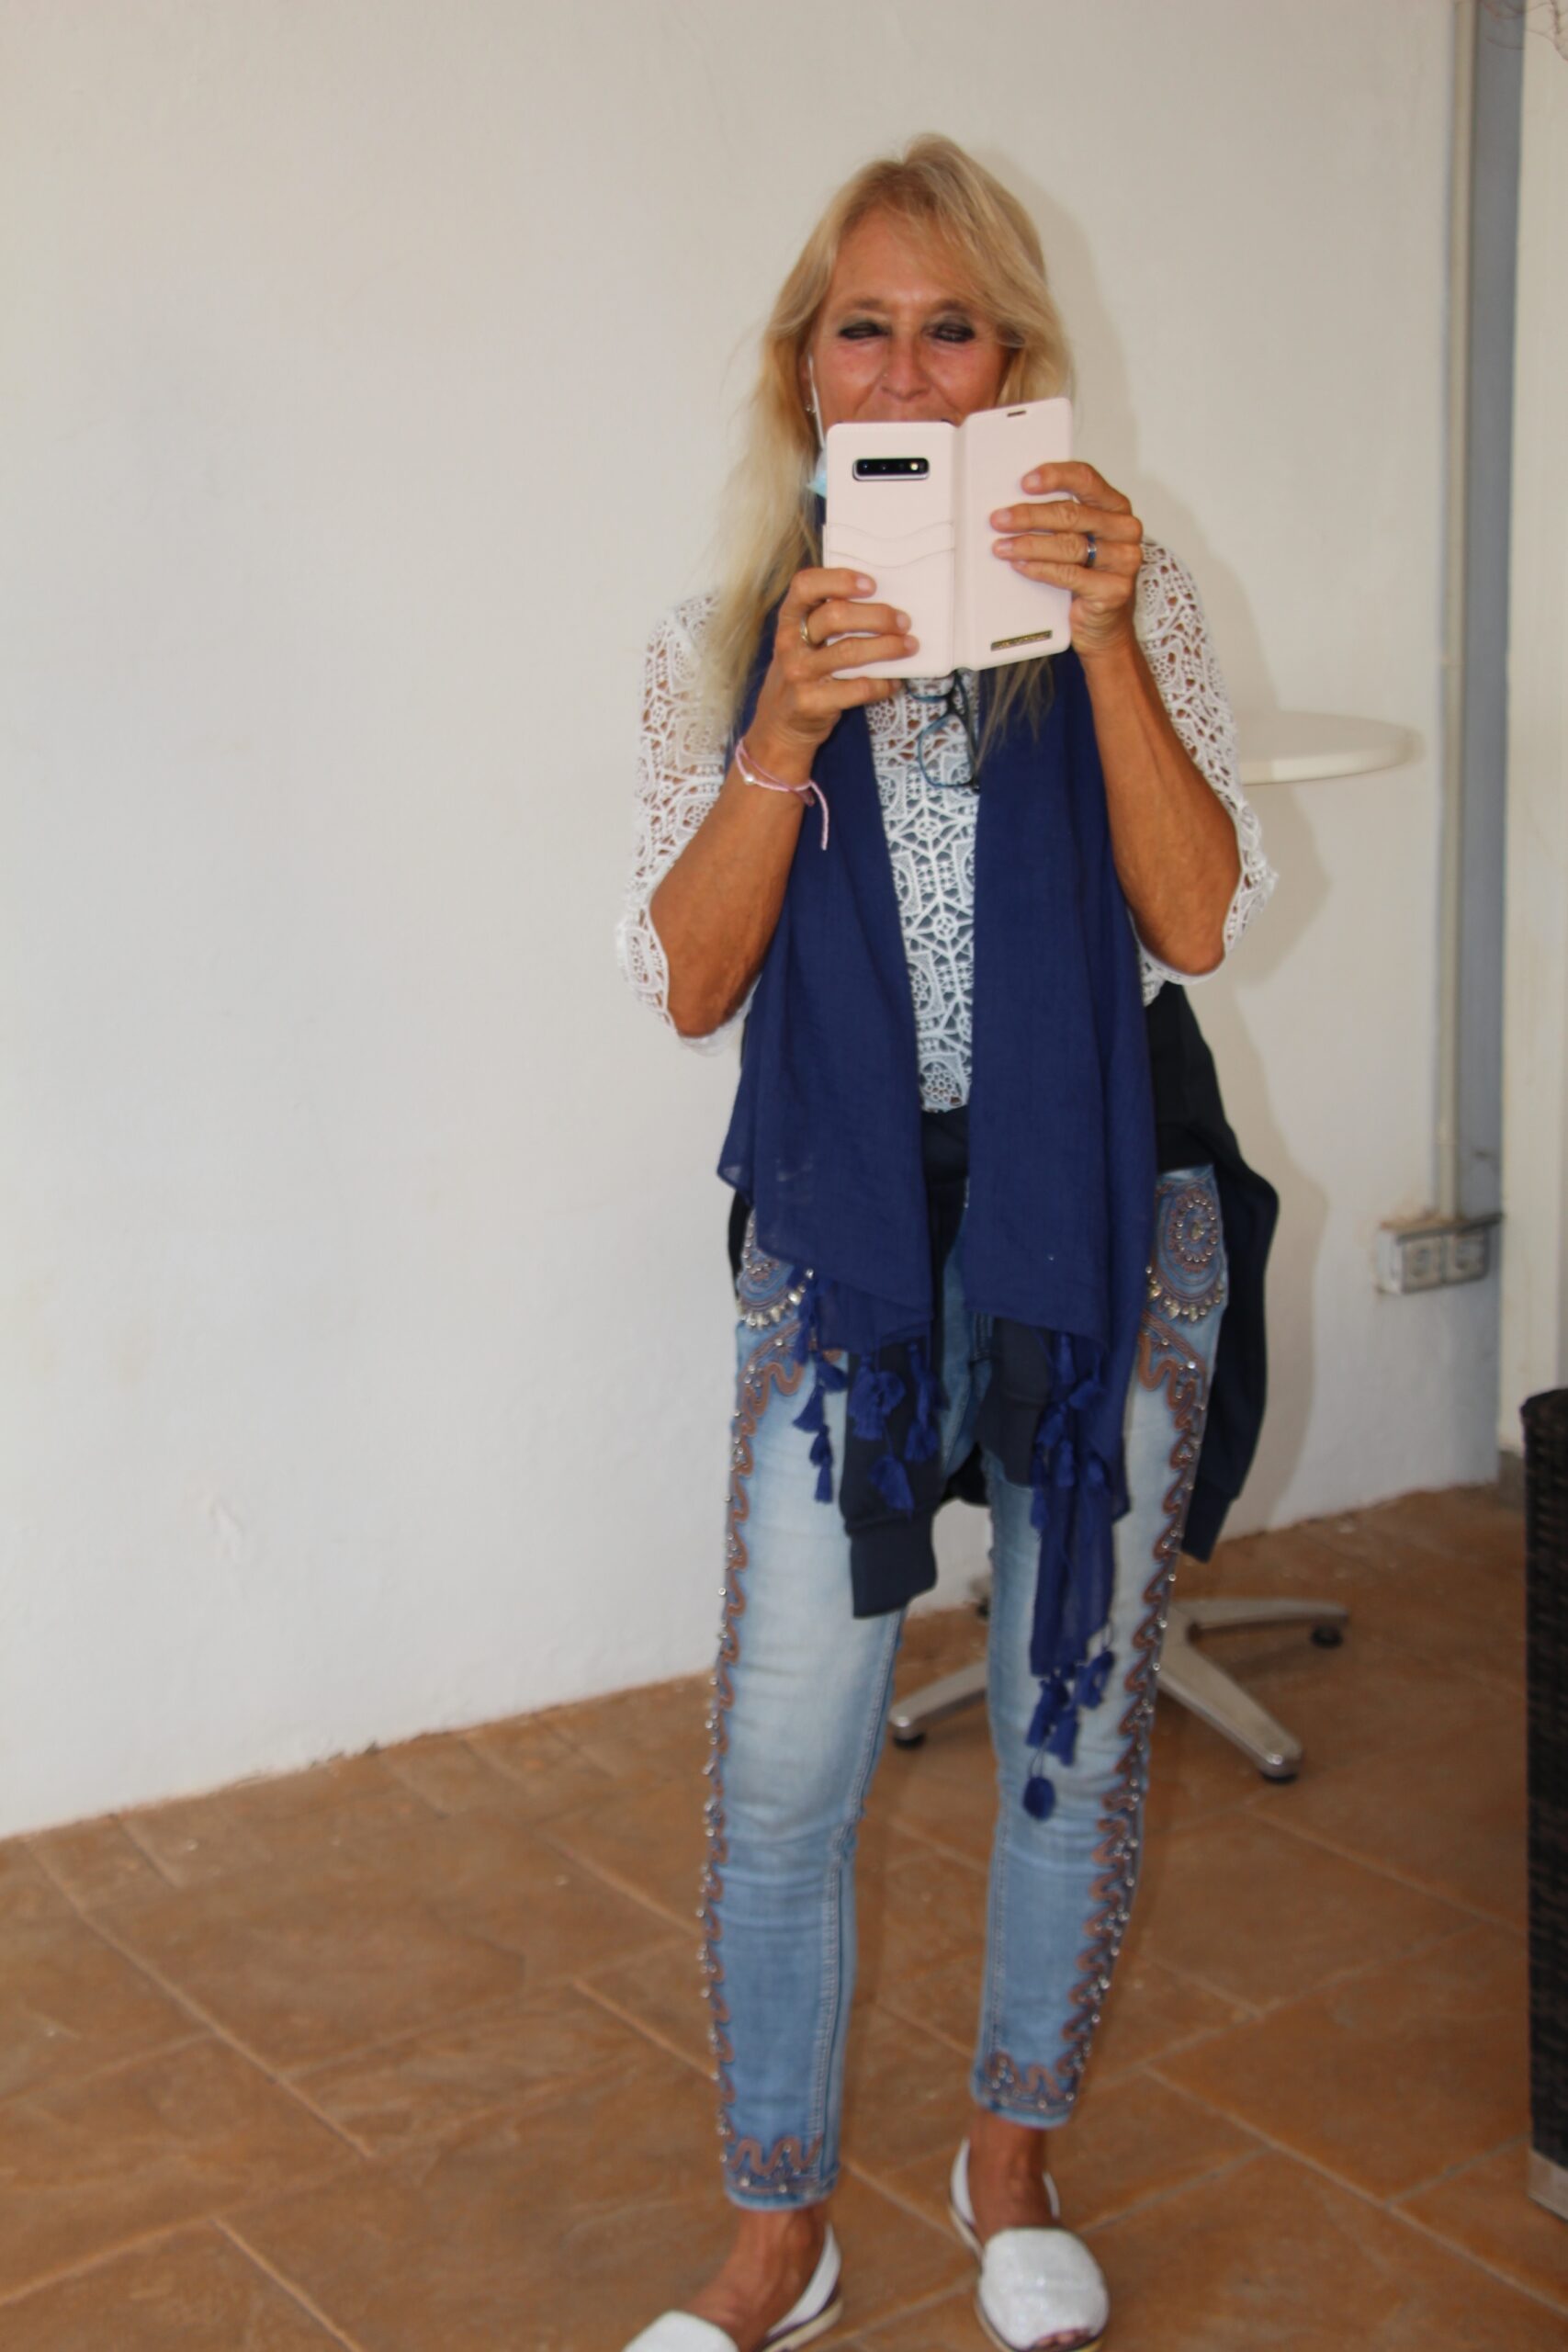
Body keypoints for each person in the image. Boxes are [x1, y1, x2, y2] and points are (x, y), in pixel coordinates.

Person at [615, 134, 1273, 2352]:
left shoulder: (1130, 602)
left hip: (1099, 1211)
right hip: (843, 1239)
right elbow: (691, 982)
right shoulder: (713, 647)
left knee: (1061, 1731)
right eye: (863, 327)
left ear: (1014, 367)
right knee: (783, 1761)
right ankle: (775, 2232)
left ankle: (1009, 2162)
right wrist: (782, 728)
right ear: (805, 372)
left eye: (951, 327)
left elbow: (1198, 918)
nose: (905, 367)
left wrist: (1102, 642)